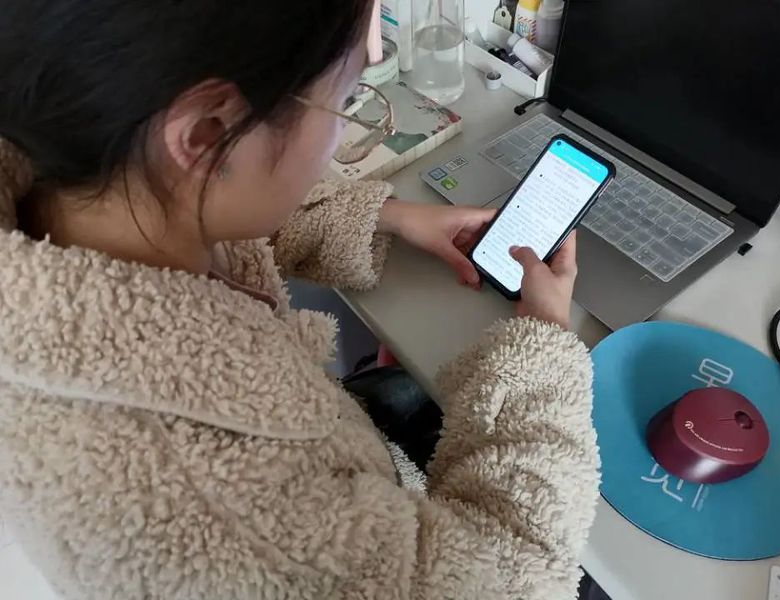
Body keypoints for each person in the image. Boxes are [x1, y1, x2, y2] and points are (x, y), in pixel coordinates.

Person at [0, 1, 599, 598]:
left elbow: (197, 199)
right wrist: (543, 345)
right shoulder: (234, 512)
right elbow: (512, 578)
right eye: (346, 98)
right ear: (208, 134)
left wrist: (387, 216)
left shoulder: (69, 173)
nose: (343, 126)